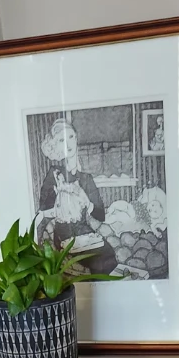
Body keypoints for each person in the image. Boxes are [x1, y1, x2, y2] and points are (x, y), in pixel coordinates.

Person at [34, 118, 117, 275]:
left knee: (108, 257)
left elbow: (100, 215)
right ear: (56, 145)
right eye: (62, 140)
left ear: (77, 139)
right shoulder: (54, 175)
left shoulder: (86, 179)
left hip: (86, 233)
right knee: (93, 264)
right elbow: (44, 210)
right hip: (64, 236)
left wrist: (86, 199)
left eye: (71, 137)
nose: (68, 143)